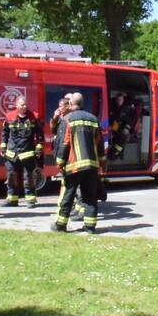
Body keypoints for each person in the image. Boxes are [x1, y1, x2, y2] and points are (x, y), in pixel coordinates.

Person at [52, 92, 105, 234]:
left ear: (70, 104)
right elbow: (100, 144)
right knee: (90, 197)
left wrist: (60, 162)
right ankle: (90, 227)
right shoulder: (93, 119)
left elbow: (65, 143)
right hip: (92, 165)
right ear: (83, 103)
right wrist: (102, 163)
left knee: (68, 195)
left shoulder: (68, 119)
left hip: (74, 165)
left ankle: (60, 226)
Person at [0, 95, 44, 208]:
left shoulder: (34, 117)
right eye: (22, 105)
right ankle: (12, 199)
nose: (24, 107)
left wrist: (39, 148)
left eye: (25, 104)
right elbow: (4, 133)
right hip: (12, 153)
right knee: (11, 176)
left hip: (27, 153)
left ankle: (31, 200)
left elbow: (39, 135)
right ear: (16, 105)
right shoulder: (9, 117)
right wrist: (3, 147)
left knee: (29, 177)